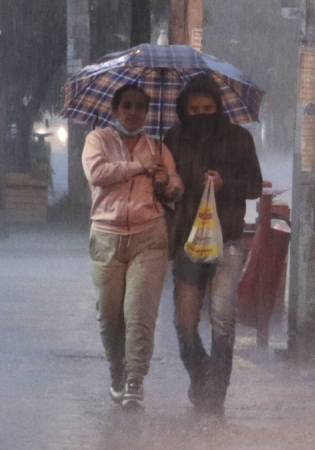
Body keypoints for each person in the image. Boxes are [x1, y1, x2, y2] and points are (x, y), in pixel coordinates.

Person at [164, 74, 265, 415]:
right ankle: (201, 373)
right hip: (186, 242)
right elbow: (165, 192)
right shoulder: (173, 140)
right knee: (185, 321)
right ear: (184, 109)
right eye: (194, 108)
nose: (201, 113)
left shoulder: (239, 139)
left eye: (207, 107)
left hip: (228, 240)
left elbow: (253, 185)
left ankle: (216, 393)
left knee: (222, 315)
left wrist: (226, 183)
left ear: (218, 107)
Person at [83, 83, 182, 409]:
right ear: (115, 110)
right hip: (106, 238)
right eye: (127, 105)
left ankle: (135, 380)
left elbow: (175, 189)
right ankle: (117, 370)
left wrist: (165, 181)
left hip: (149, 237)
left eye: (140, 106)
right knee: (110, 316)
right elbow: (98, 173)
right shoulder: (98, 140)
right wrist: (139, 168)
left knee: (139, 313)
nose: (134, 112)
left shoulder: (157, 148)